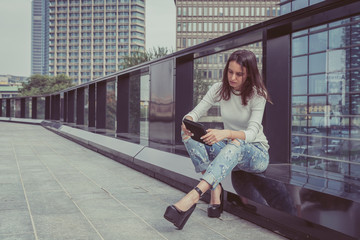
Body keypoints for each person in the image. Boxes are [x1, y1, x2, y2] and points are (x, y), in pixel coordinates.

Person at [163, 49, 272, 230]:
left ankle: (194, 196)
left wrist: (226, 133)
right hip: (230, 150)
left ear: (249, 75)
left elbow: (252, 132)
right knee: (189, 135)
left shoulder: (257, 94)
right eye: (230, 72)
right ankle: (215, 188)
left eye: (239, 74)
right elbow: (195, 113)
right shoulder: (219, 89)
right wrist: (187, 121)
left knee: (236, 143)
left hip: (256, 153)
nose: (233, 78)